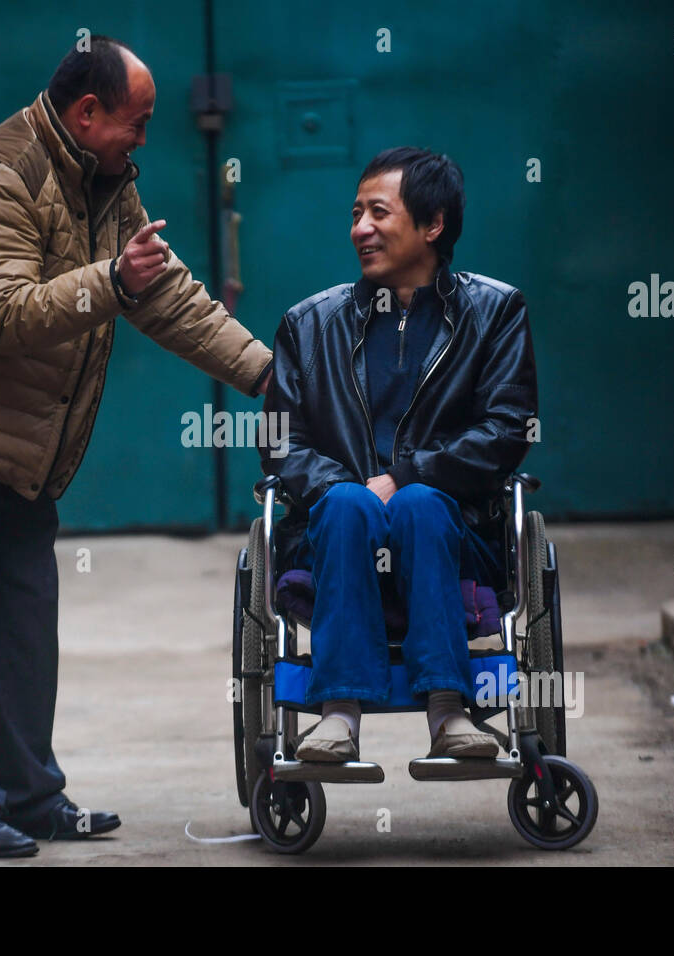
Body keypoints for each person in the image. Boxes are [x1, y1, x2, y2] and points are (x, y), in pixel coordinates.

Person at [0, 36, 272, 857]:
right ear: (88, 113)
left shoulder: (103, 178)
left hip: (23, 450)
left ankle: (32, 797)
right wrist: (113, 281)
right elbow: (7, 314)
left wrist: (270, 377)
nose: (145, 139)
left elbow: (167, 297)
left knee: (24, 630)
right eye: (137, 123)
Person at [260, 147, 538, 762]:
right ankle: (339, 711)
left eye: (378, 213)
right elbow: (281, 444)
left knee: (418, 504)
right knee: (348, 507)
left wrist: (408, 476)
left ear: (432, 224)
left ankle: (447, 707)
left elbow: (509, 428)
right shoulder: (310, 323)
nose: (360, 228)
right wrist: (351, 489)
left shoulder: (494, 313)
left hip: (455, 534)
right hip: (334, 531)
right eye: (356, 213)